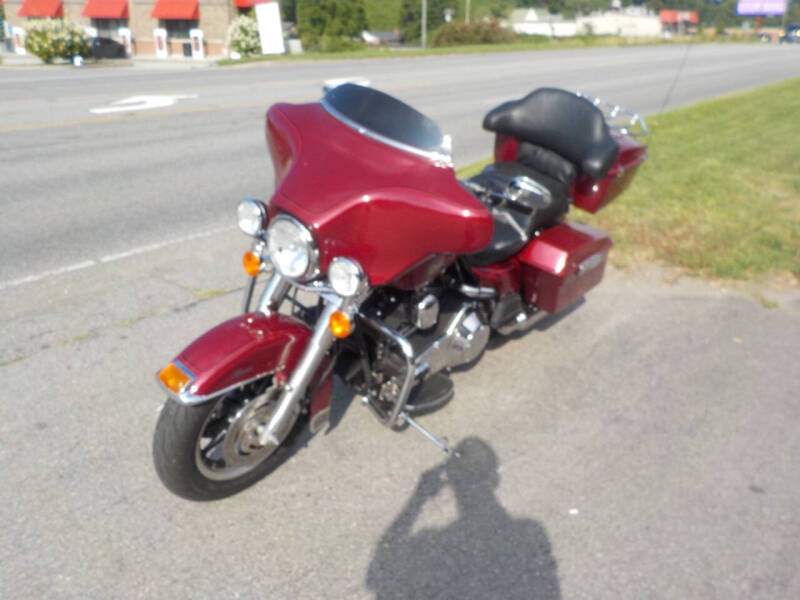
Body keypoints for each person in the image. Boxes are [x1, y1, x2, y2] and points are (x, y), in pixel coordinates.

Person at [366, 437, 561, 599]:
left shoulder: (437, 543)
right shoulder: (531, 532)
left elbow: (380, 567)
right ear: (495, 479)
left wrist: (418, 498)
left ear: (451, 482)